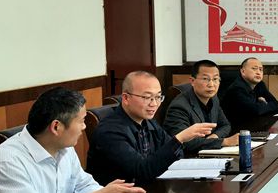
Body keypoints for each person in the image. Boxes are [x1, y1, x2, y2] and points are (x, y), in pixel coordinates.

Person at [0, 88, 147, 193]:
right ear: (56, 127)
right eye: (81, 121)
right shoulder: (8, 159)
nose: (84, 127)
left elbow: (82, 184)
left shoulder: (63, 147)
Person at [87, 71, 217, 185]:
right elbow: (142, 171)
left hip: (149, 189)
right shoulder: (109, 131)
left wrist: (176, 144)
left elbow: (176, 154)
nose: (154, 104)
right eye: (147, 97)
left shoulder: (148, 121)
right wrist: (180, 138)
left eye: (158, 97)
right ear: (126, 98)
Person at [164, 60, 237, 153]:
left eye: (215, 79)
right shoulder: (179, 106)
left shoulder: (213, 98)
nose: (211, 85)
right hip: (186, 156)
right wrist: (224, 142)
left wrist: (214, 137)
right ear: (192, 81)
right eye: (205, 79)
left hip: (207, 153)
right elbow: (183, 142)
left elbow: (225, 125)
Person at [222, 57, 278, 127]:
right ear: (243, 71)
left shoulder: (260, 84)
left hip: (253, 125)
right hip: (235, 128)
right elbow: (255, 110)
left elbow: (275, 103)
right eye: (254, 69)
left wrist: (260, 106)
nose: (258, 72)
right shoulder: (237, 88)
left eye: (261, 69)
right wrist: (262, 103)